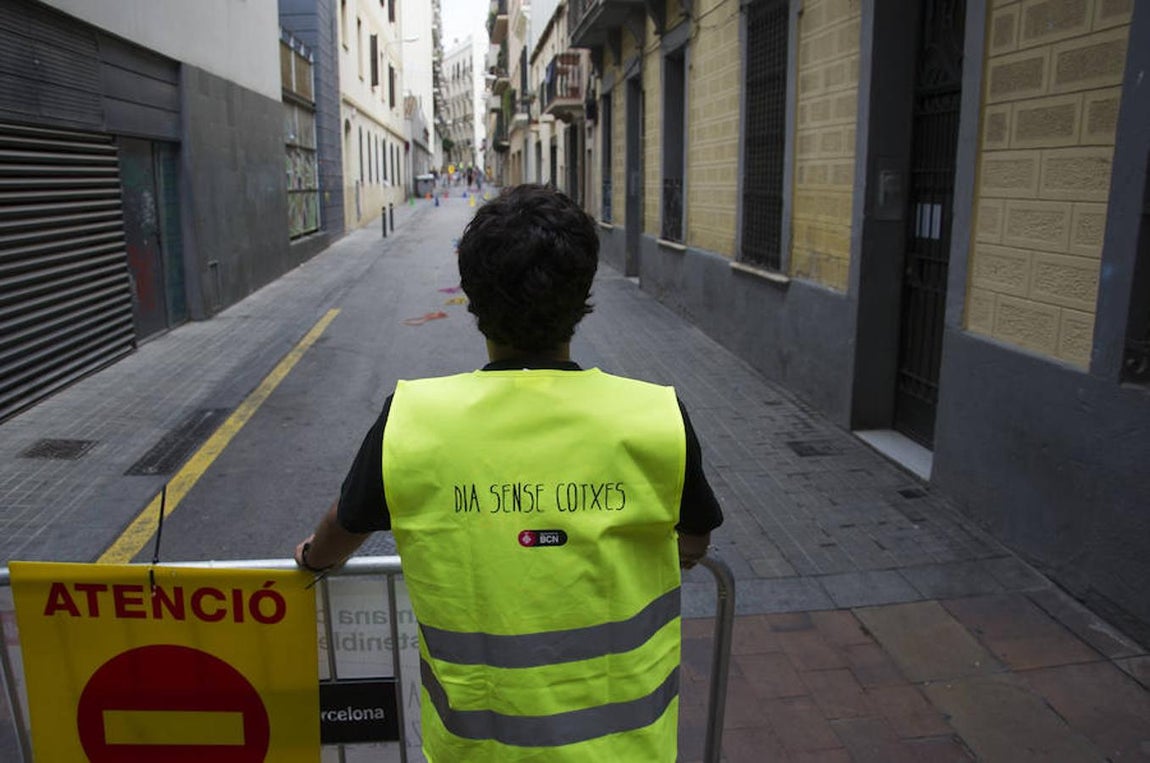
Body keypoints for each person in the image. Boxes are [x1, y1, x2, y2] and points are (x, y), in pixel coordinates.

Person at [295, 184, 723, 761]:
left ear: (473, 299)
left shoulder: (413, 419)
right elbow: (693, 538)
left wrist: (309, 561)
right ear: (583, 291)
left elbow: (341, 530)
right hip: (627, 749)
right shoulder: (655, 416)